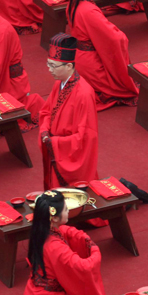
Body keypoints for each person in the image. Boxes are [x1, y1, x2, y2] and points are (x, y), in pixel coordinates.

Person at [14, 190, 105, 295]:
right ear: (54, 218)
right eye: (65, 209)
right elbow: (83, 267)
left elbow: (67, 231)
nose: (68, 210)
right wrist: (95, 251)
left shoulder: (41, 231)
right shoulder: (55, 247)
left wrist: (83, 238)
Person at [66, 0, 139, 110]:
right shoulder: (88, 10)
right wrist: (121, 35)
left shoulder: (72, 3)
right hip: (91, 66)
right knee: (123, 89)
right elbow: (114, 38)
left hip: (79, 59)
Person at [39, 34, 99, 189]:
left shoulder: (84, 93)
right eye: (48, 64)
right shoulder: (58, 84)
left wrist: (55, 143)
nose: (49, 69)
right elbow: (46, 112)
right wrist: (45, 131)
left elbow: (86, 136)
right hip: (56, 148)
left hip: (67, 152)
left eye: (54, 66)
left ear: (69, 66)